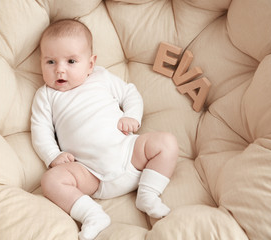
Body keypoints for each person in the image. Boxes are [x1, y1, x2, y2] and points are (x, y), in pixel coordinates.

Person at [31, 19, 178, 240]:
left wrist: (131, 116)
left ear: (90, 64)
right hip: (89, 173)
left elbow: (130, 94)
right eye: (50, 62)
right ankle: (92, 215)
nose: (60, 70)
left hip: (129, 154)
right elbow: (40, 130)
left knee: (166, 142)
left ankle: (148, 193)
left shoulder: (101, 77)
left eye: (71, 61)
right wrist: (53, 155)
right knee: (50, 181)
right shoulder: (46, 95)